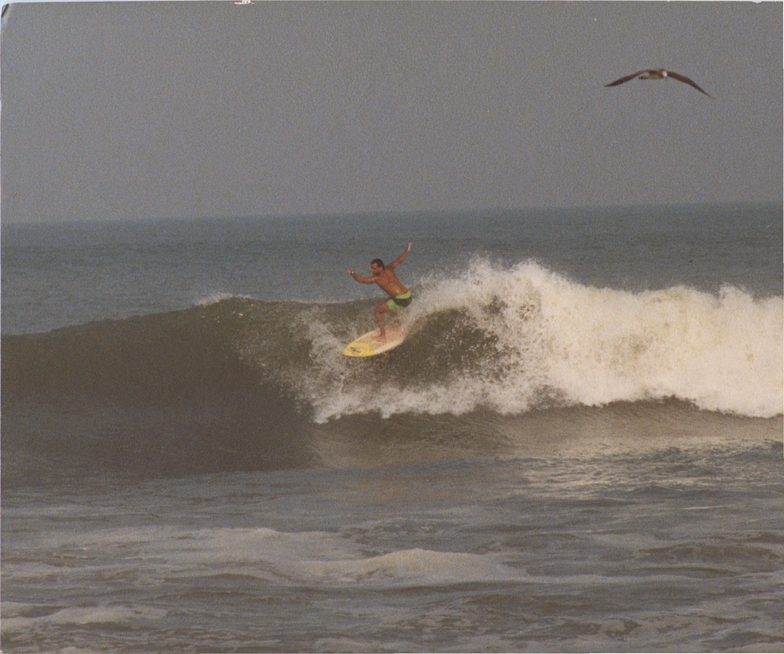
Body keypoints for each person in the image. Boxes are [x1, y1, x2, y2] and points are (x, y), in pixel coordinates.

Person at [346, 242, 413, 342]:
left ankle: (382, 336)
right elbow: (400, 259)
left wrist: (352, 273)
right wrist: (407, 250)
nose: (372, 270)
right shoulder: (390, 268)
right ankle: (398, 323)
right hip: (408, 295)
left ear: (380, 267)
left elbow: (361, 280)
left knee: (377, 310)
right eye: (371, 268)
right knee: (388, 301)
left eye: (374, 268)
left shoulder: (377, 278)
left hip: (401, 299)